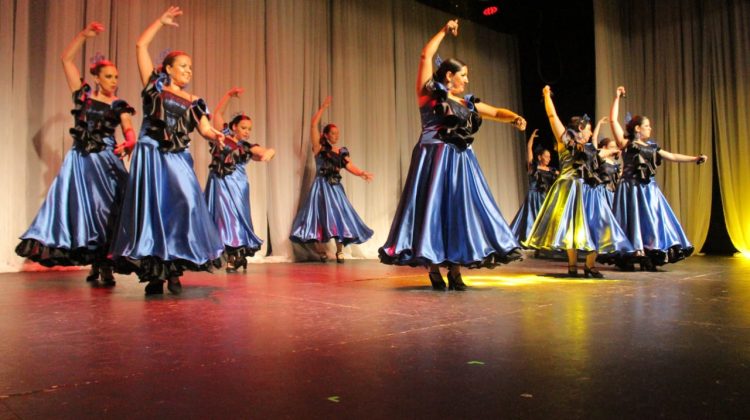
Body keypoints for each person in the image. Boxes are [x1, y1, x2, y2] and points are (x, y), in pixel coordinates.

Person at [378, 19, 526, 291]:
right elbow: (426, 55)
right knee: (432, 210)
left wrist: (514, 117)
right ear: (449, 76)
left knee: (458, 211)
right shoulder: (430, 94)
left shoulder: (467, 102)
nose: (467, 80)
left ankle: (456, 270)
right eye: (464, 75)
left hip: (460, 160)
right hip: (433, 156)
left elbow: (495, 112)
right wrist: (444, 31)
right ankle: (434, 269)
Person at [110, 6, 225, 295]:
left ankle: (175, 267)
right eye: (183, 66)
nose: (188, 70)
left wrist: (216, 136)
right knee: (153, 211)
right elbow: (140, 45)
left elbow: (205, 129)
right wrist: (159, 22)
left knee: (184, 206)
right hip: (151, 153)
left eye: (190, 67)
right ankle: (156, 275)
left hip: (178, 157)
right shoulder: (154, 87)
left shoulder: (195, 100)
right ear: (168, 68)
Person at [16, 22, 135, 287]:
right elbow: (66, 60)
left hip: (106, 161)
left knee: (107, 212)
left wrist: (129, 143)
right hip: (81, 162)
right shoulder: (85, 97)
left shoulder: (120, 105)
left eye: (116, 77)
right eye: (108, 76)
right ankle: (95, 263)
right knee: (86, 213)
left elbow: (129, 130)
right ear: (96, 78)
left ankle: (105, 264)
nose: (114, 81)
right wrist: (83, 36)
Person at [524, 86, 632, 278]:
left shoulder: (590, 149)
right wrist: (547, 96)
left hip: (589, 189)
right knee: (571, 229)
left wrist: (614, 151)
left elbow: (600, 153)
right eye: (589, 130)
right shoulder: (565, 139)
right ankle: (573, 266)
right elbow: (552, 116)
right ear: (581, 128)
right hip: (570, 187)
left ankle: (590, 265)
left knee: (598, 224)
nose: (591, 134)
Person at [608, 86, 707, 270]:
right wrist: (617, 98)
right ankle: (631, 254)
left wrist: (694, 158)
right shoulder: (626, 143)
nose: (650, 128)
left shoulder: (652, 147)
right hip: (630, 188)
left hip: (648, 189)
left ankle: (650, 254)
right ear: (637, 129)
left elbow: (672, 156)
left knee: (651, 220)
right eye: (647, 125)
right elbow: (613, 120)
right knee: (631, 220)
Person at [289, 96, 374, 263]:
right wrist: (322, 108)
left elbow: (350, 166)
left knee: (339, 216)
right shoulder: (319, 148)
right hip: (321, 186)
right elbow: (313, 125)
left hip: (335, 188)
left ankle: (340, 250)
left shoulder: (341, 151)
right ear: (326, 134)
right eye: (333, 133)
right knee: (319, 218)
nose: (336, 136)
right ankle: (321, 251)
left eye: (337, 134)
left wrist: (362, 173)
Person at [206, 87, 275, 272]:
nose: (247, 132)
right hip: (218, 182)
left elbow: (260, 151)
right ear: (234, 127)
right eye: (244, 128)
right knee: (220, 218)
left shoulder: (246, 146)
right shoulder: (223, 136)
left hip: (237, 184)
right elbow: (218, 114)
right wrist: (228, 95)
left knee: (234, 218)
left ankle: (235, 255)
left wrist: (269, 152)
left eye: (249, 129)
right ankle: (227, 255)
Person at [509, 129, 559, 244]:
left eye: (550, 157)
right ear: (540, 157)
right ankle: (531, 239)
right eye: (546, 156)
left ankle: (546, 240)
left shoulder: (552, 170)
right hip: (534, 196)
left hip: (546, 197)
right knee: (533, 218)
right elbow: (529, 150)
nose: (549, 159)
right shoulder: (533, 167)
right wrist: (531, 138)